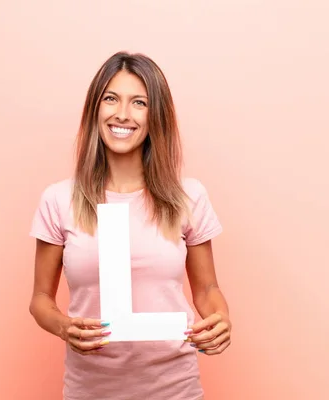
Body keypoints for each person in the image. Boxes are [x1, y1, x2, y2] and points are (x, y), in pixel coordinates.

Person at [29, 51, 232, 400]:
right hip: (91, 390)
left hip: (175, 389)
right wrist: (64, 327)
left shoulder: (189, 196)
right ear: (96, 108)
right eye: (111, 98)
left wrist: (220, 318)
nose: (122, 114)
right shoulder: (59, 199)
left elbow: (207, 288)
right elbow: (40, 299)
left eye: (139, 102)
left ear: (156, 117)